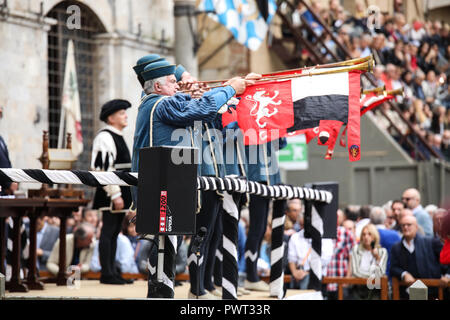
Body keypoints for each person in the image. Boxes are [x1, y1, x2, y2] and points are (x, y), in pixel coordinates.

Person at [131, 59, 250, 298]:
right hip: (163, 184)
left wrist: (191, 94)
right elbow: (201, 111)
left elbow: (194, 110)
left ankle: (164, 292)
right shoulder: (160, 103)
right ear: (157, 87)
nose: (178, 86)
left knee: (168, 241)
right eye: (173, 82)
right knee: (164, 242)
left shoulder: (160, 102)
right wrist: (229, 88)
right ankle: (160, 293)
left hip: (169, 183)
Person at [91, 99, 133, 285]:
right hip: (110, 193)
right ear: (111, 117)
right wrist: (114, 194)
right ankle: (106, 273)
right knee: (108, 231)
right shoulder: (105, 137)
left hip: (120, 192)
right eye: (121, 112)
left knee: (116, 231)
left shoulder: (118, 135)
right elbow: (102, 168)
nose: (125, 116)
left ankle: (112, 271)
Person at [390, 215, 448, 299]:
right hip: (408, 293)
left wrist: (447, 276)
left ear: (416, 227)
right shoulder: (396, 247)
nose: (406, 227)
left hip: (432, 292)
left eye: (409, 225)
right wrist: (404, 274)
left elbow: (447, 258)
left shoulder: (430, 242)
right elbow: (393, 267)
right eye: (403, 225)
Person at [348, 224, 388, 299]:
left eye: (369, 234)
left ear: (374, 236)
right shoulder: (356, 249)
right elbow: (356, 272)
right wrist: (373, 277)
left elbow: (381, 272)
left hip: (375, 290)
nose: (366, 237)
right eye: (364, 234)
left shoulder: (382, 251)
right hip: (358, 288)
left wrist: (377, 257)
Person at [325, 225, 356, 300]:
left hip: (341, 281)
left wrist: (347, 279)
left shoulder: (346, 234)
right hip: (324, 282)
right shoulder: (319, 232)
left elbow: (352, 258)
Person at [369, 206, 401, 278]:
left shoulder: (366, 235)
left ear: (370, 220)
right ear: (385, 219)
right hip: (390, 277)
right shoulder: (394, 235)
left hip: (370, 278)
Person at [0, 105, 18, 195]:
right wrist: (8, 183)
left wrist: (12, 181)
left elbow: (6, 163)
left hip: (5, 191)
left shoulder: (1, 139)